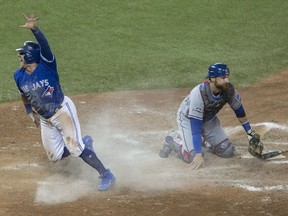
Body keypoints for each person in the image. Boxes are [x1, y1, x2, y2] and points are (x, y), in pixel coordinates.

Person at [13, 14, 116, 191]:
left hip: (62, 111)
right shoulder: (19, 75)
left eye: (22, 53)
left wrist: (35, 29)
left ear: (30, 56)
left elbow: (45, 47)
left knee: (75, 148)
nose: (19, 56)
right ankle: (85, 142)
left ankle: (107, 174)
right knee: (54, 156)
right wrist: (30, 111)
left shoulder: (47, 65)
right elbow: (24, 94)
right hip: (46, 118)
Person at [159, 63, 263, 169]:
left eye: (227, 77)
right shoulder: (199, 93)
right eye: (223, 77)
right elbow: (196, 126)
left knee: (227, 150)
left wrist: (250, 133)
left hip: (208, 119)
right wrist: (198, 154)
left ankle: (204, 141)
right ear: (212, 78)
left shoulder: (229, 90)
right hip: (188, 119)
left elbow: (239, 111)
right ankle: (173, 138)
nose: (227, 80)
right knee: (192, 156)